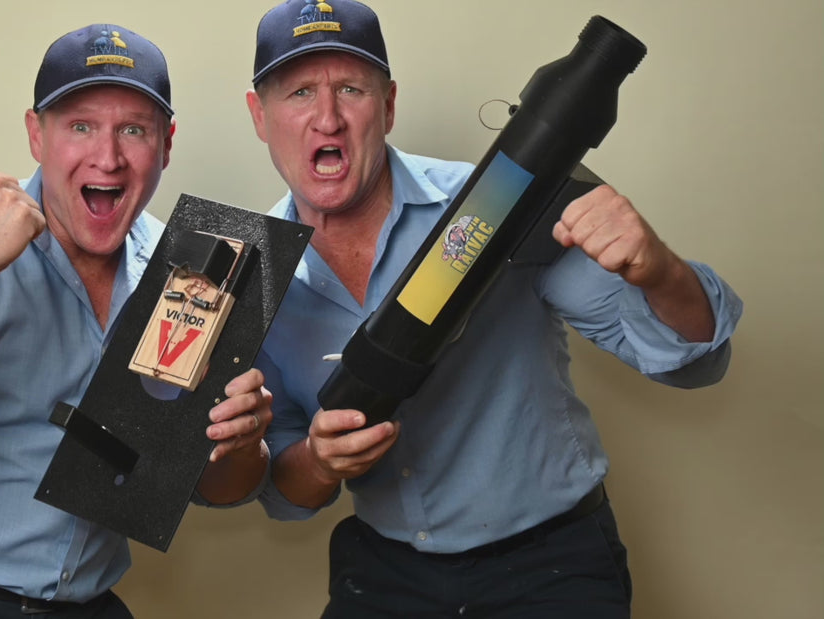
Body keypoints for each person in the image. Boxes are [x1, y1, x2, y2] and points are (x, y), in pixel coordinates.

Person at [244, 2, 743, 617]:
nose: (328, 118)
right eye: (299, 93)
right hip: (384, 573)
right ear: (259, 115)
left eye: (351, 89)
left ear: (389, 105)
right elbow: (284, 489)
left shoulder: (496, 203)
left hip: (547, 568)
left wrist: (660, 269)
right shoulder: (253, 275)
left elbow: (693, 362)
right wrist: (320, 463)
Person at [0, 23, 272, 619]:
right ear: (36, 135)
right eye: (80, 126)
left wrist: (241, 443)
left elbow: (211, 488)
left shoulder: (192, 274)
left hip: (85, 604)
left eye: (134, 130)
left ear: (166, 145)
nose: (108, 157)